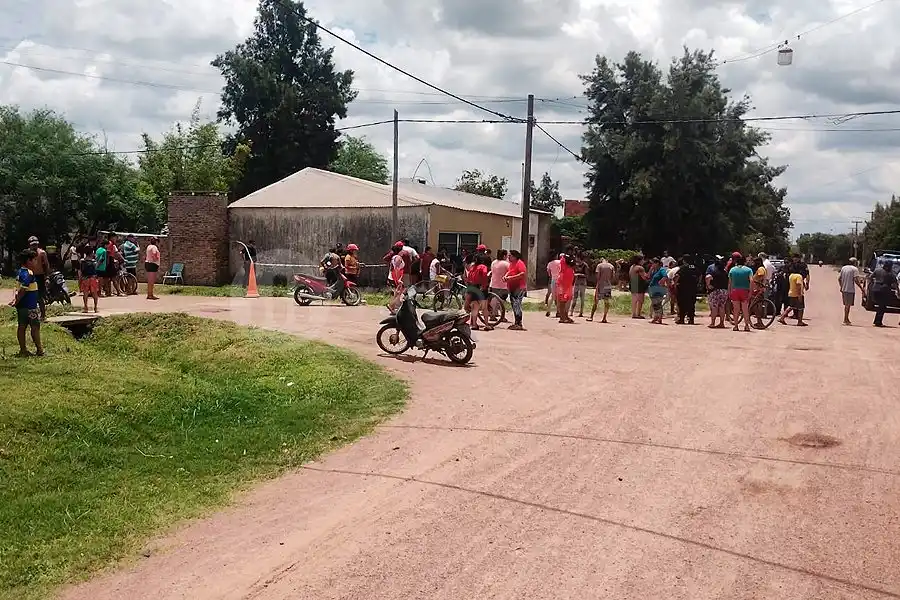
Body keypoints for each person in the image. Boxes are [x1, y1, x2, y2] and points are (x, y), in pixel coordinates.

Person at [10, 249, 43, 356]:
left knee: (22, 326)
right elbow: (23, 289)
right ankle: (39, 350)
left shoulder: (20, 271)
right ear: (28, 261)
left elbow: (17, 288)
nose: (36, 262)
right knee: (35, 327)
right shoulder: (29, 273)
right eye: (34, 260)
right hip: (30, 307)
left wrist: (16, 300)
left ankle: (23, 350)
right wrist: (17, 300)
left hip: (22, 307)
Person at [27, 236, 51, 321]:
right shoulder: (27, 253)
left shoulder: (42, 253)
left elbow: (47, 265)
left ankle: (43, 316)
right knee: (30, 296)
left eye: (36, 244)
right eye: (33, 245)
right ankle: (32, 316)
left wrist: (47, 277)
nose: (35, 246)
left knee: (40, 297)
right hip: (30, 276)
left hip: (39, 276)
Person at [466, 253, 493, 331]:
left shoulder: (473, 267)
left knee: (475, 307)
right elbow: (484, 274)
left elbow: (469, 277)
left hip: (473, 287)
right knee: (484, 308)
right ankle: (486, 325)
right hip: (481, 287)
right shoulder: (482, 267)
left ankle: (474, 324)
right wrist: (484, 284)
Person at [727, 254, 753, 332]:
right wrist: (751, 291)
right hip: (745, 290)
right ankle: (746, 326)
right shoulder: (748, 270)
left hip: (735, 290)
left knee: (736, 309)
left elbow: (730, 283)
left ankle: (736, 326)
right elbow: (751, 280)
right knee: (745, 309)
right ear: (744, 262)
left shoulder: (732, 270)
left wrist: (729, 292)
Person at [868, 259, 897, 327]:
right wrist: (897, 291)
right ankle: (878, 322)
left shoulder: (877, 270)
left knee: (880, 306)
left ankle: (877, 321)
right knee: (882, 307)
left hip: (875, 290)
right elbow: (895, 284)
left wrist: (873, 283)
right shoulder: (891, 274)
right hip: (884, 291)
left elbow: (870, 277)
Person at [837, 257, 864, 326]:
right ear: (855, 263)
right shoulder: (854, 269)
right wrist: (861, 288)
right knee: (847, 306)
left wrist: (841, 286)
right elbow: (856, 280)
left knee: (847, 305)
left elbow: (839, 279)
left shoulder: (844, 268)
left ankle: (847, 319)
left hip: (844, 289)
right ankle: (845, 319)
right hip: (850, 290)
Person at [504, 250, 527, 330]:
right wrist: (506, 276)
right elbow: (510, 271)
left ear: (515, 256)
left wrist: (511, 278)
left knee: (517, 305)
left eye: (510, 256)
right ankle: (516, 322)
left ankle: (519, 323)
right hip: (512, 287)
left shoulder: (520, 263)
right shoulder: (511, 264)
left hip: (519, 287)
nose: (508, 257)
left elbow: (522, 274)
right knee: (514, 305)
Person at [589, 257, 615, 323]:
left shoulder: (599, 266)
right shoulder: (611, 266)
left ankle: (591, 317)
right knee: (606, 301)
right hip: (608, 285)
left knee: (596, 301)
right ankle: (604, 318)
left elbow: (598, 276)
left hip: (600, 285)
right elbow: (613, 277)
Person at [674, 255, 699, 325]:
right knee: (691, 304)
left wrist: (675, 284)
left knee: (682, 304)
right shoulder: (694, 267)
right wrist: (698, 283)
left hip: (683, 289)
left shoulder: (683, 267)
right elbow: (700, 275)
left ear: (684, 260)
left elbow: (677, 276)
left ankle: (681, 319)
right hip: (693, 289)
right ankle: (691, 319)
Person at [705, 256, 729, 329]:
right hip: (724, 291)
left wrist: (708, 285)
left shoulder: (714, 271)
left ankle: (713, 323)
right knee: (722, 307)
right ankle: (722, 323)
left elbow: (707, 277)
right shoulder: (725, 272)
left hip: (715, 290)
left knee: (714, 307)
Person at [556, 250, 576, 323]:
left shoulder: (569, 259)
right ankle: (562, 317)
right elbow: (571, 263)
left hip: (568, 284)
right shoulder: (564, 259)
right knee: (562, 301)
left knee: (566, 300)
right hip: (563, 283)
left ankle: (565, 316)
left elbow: (573, 265)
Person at [647, 258, 669, 324]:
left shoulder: (661, 269)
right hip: (653, 288)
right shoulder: (654, 270)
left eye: (653, 263)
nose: (652, 265)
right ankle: (656, 317)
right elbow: (648, 276)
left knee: (658, 303)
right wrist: (650, 270)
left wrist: (662, 281)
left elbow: (665, 276)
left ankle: (659, 318)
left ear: (657, 263)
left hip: (658, 288)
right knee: (655, 304)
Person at [628, 254, 649, 319]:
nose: (644, 261)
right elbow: (644, 277)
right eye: (643, 260)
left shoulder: (632, 267)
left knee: (634, 300)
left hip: (633, 283)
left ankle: (634, 313)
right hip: (639, 284)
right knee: (640, 300)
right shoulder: (640, 268)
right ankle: (638, 314)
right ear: (640, 260)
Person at [570, 253, 589, 318]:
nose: (576, 259)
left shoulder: (585, 265)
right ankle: (571, 311)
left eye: (577, 257)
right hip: (576, 282)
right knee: (574, 297)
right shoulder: (576, 265)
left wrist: (579, 275)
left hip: (582, 283)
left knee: (582, 298)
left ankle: (581, 312)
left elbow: (587, 275)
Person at [544, 253, 561, 317]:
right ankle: (558, 311)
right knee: (558, 296)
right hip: (559, 280)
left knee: (552, 296)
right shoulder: (559, 262)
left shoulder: (549, 264)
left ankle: (548, 310)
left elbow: (549, 274)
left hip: (553, 280)